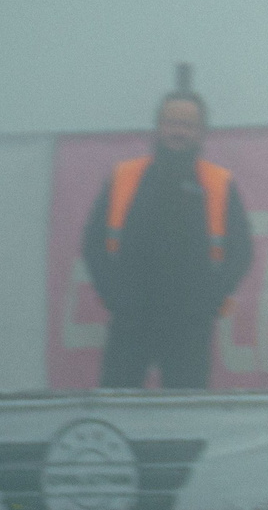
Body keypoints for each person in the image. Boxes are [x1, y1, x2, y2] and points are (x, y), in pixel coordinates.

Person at [80, 89, 251, 390]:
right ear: (158, 126)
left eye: (187, 125)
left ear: (201, 133)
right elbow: (93, 243)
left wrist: (212, 299)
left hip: (189, 323)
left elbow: (242, 251)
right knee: (117, 407)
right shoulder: (124, 176)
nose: (178, 131)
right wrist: (112, 293)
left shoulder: (219, 183)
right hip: (131, 319)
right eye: (171, 122)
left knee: (187, 414)